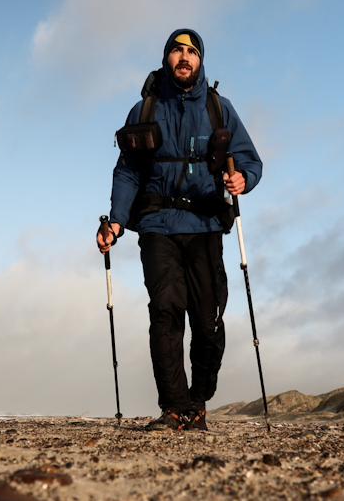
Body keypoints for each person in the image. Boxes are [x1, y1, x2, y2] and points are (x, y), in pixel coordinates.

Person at [97, 29, 262, 431]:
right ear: (167, 58)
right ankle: (173, 408)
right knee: (166, 312)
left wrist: (241, 179)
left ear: (201, 61)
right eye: (176, 50)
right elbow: (128, 171)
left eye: (191, 51)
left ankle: (197, 403)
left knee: (208, 321)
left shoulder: (218, 108)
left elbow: (250, 162)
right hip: (156, 225)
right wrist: (117, 219)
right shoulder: (145, 109)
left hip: (206, 223)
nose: (183, 57)